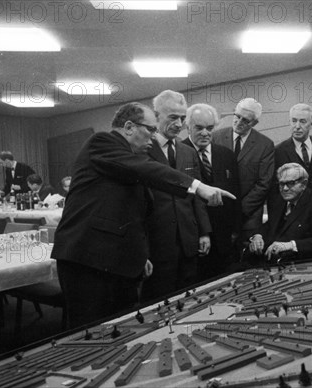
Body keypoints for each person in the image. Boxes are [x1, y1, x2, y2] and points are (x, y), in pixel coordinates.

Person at [51, 102, 235, 328]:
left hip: (117, 261)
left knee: (122, 327)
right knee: (89, 333)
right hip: (89, 260)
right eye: (150, 130)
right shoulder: (102, 143)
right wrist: (199, 187)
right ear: (129, 127)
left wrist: (139, 254)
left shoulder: (129, 160)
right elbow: (149, 170)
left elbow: (132, 213)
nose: (153, 137)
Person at [142, 91, 212, 301]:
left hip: (188, 241)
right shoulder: (141, 150)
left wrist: (204, 232)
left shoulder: (188, 151)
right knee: (158, 302)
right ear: (156, 116)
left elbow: (197, 195)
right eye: (173, 117)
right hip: (157, 243)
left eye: (182, 118)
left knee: (188, 299)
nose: (179, 123)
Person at [183, 103, 241, 279]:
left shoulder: (226, 154)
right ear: (188, 127)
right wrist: (202, 233)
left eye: (209, 128)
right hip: (196, 240)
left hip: (225, 240)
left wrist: (236, 232)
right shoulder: (179, 153)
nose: (205, 133)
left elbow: (235, 194)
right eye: (199, 128)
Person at [213, 98, 274, 243]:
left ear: (254, 123)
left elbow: (264, 183)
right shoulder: (216, 137)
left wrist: (238, 211)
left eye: (245, 120)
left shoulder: (265, 145)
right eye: (237, 116)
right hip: (218, 212)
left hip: (249, 217)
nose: (239, 122)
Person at [248, 163, 312, 262]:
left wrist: (290, 245)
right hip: (273, 261)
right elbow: (270, 226)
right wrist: (257, 236)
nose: (285, 189)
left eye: (290, 183)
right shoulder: (278, 200)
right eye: (281, 184)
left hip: (302, 262)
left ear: (303, 184)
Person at [273, 103, 312, 207]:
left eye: (302, 121)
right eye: (294, 121)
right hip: (294, 214)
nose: (297, 126)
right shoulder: (278, 151)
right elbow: (275, 190)